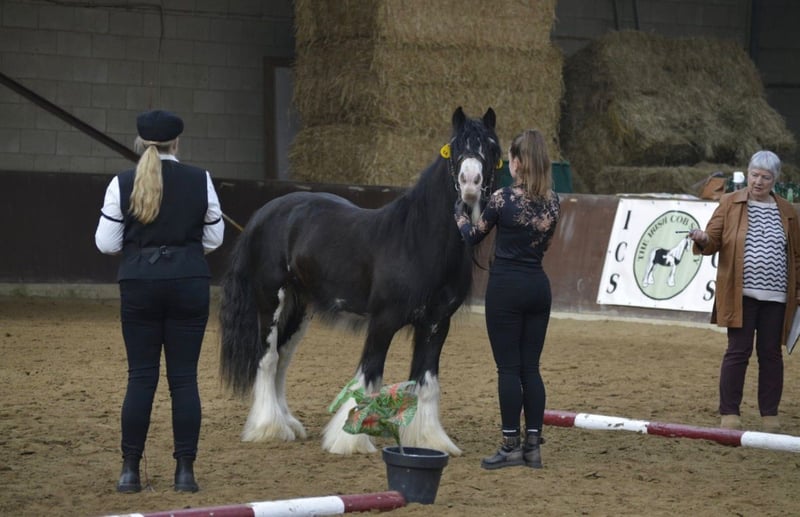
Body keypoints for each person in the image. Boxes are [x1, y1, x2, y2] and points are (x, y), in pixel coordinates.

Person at [94, 110, 225, 493]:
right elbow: (214, 239)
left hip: (140, 285)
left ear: (140, 143)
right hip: (189, 283)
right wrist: (182, 254)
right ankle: (185, 472)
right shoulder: (200, 179)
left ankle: (129, 471)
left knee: (140, 378)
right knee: (184, 380)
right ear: (176, 143)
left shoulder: (121, 182)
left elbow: (106, 243)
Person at [455, 129, 560, 469]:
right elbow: (542, 243)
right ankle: (533, 446)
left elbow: (473, 236)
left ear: (515, 163)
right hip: (538, 287)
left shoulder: (502, 199)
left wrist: (460, 214)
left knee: (508, 369)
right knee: (531, 369)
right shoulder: (554, 201)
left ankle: (510, 443)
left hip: (506, 288)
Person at [688, 150, 800, 432]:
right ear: (747, 174)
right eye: (754, 175)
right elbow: (712, 240)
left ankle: (770, 414)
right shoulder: (730, 202)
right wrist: (702, 239)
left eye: (766, 177)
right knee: (738, 352)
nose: (758, 181)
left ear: (775, 180)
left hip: (777, 298)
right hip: (741, 295)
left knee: (771, 354)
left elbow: (796, 256)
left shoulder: (788, 211)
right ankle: (729, 412)